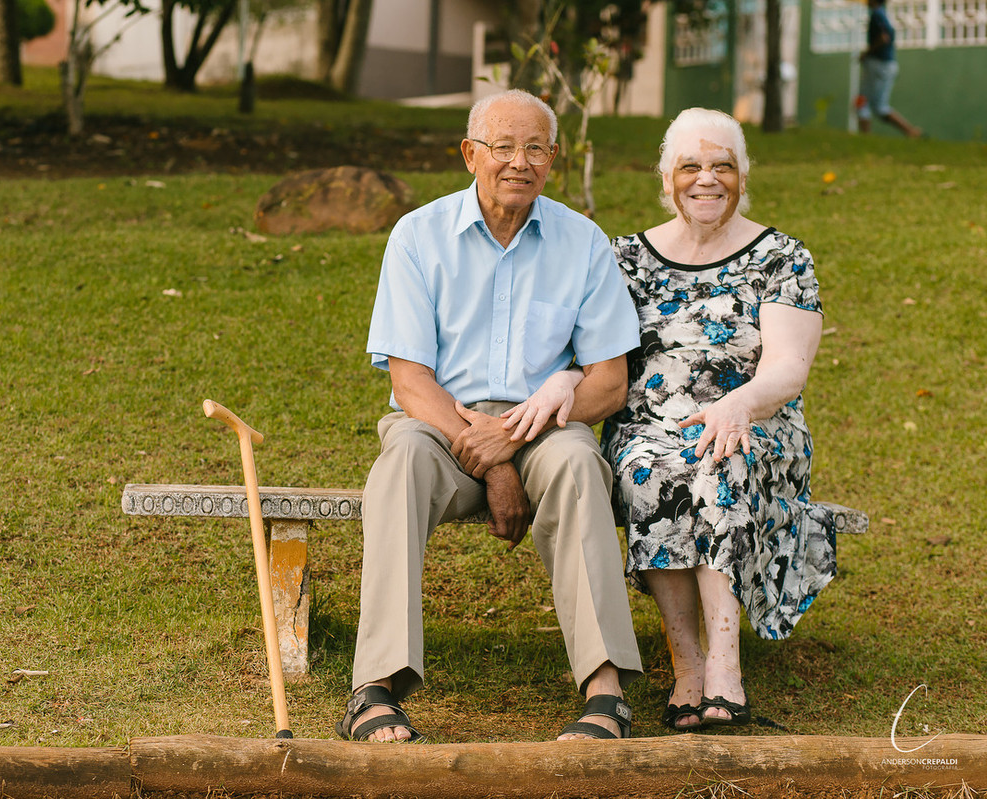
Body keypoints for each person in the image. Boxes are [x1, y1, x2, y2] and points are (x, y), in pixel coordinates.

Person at [336, 89, 644, 743]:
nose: (519, 161)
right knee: (400, 464)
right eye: (502, 146)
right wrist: (483, 446)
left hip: (544, 425)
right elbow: (409, 380)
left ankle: (605, 690)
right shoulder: (418, 235)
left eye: (535, 147)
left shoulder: (582, 242)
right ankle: (375, 685)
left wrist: (508, 441)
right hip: (439, 421)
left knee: (580, 462)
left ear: (554, 159)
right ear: (470, 154)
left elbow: (609, 383)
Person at [598, 108, 838, 731]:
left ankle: (726, 675)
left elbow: (789, 368)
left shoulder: (782, 256)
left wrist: (737, 404)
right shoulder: (627, 258)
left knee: (717, 461)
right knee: (648, 471)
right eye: (691, 166)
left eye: (722, 166)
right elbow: (597, 358)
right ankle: (688, 668)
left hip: (755, 422)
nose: (707, 180)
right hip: (649, 426)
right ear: (667, 176)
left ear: (742, 174)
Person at [857, 0, 922, 138]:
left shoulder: (877, 15)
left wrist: (867, 52)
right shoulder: (882, 14)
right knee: (877, 105)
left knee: (863, 101)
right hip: (886, 65)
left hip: (878, 65)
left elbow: (883, 37)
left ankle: (865, 137)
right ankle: (910, 131)